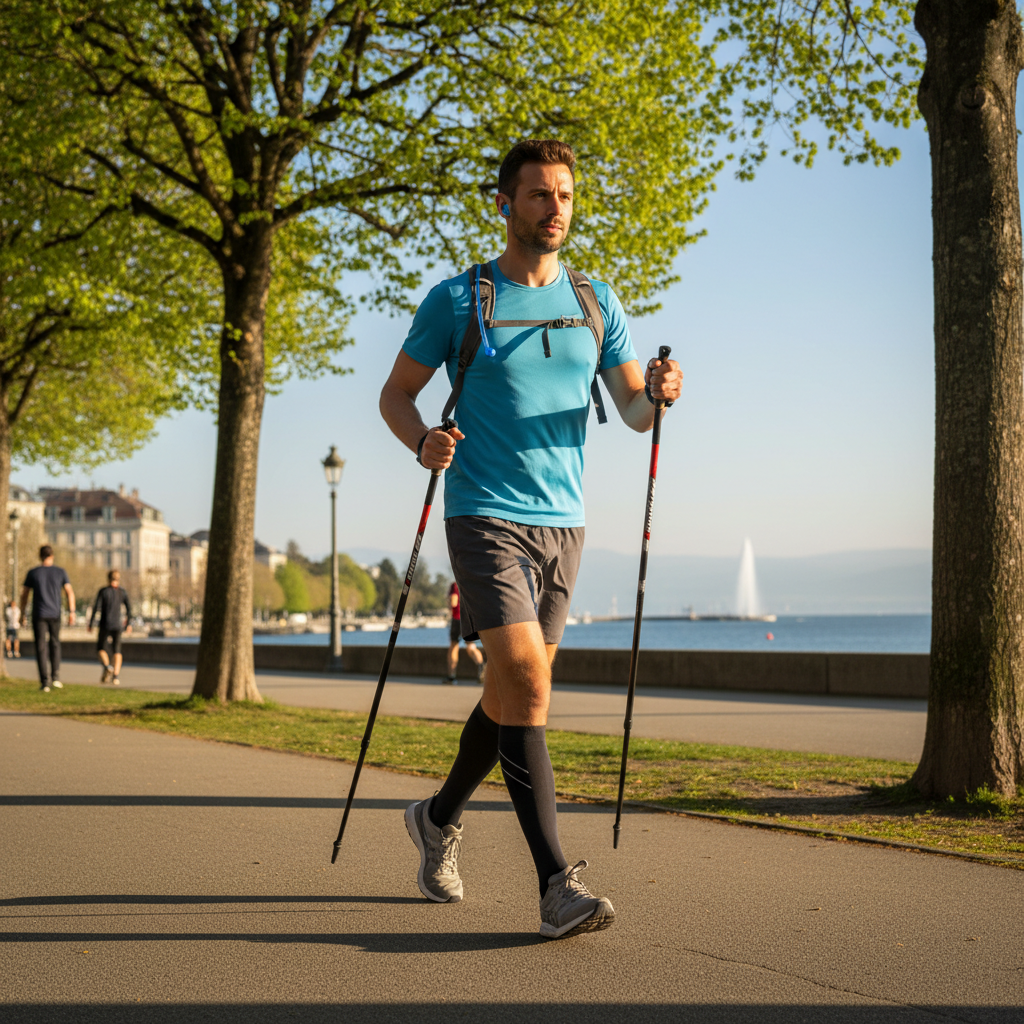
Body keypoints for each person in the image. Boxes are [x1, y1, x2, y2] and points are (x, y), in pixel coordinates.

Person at [380, 138, 683, 938]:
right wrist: (422, 443)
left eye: (566, 196)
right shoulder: (459, 300)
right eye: (540, 195)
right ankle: (556, 884)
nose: (555, 209)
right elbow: (397, 395)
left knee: (509, 693)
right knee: (529, 684)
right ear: (506, 203)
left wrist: (658, 393)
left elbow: (634, 413)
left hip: (564, 525)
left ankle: (437, 817)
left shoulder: (595, 301)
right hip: (482, 513)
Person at [20, 545, 75, 693]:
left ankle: (45, 682)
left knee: (40, 647)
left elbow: (24, 594)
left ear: (40, 556)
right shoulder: (60, 572)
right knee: (55, 644)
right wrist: (72, 611)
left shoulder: (33, 573)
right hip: (55, 613)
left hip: (39, 614)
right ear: (52, 556)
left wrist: (22, 613)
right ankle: (55, 677)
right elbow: (69, 592)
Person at [88, 570, 132, 684]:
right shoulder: (122, 592)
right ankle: (116, 676)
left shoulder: (103, 591)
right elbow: (129, 609)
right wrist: (128, 624)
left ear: (108, 579)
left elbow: (96, 608)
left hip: (105, 624)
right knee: (117, 650)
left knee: (101, 648)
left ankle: (107, 666)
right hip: (117, 625)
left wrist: (91, 623)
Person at [443, 580, 484, 685]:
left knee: (454, 646)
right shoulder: (470, 583)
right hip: (469, 619)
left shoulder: (455, 585)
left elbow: (454, 602)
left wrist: (448, 603)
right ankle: (482, 668)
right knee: (471, 646)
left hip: (457, 619)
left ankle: (451, 677)